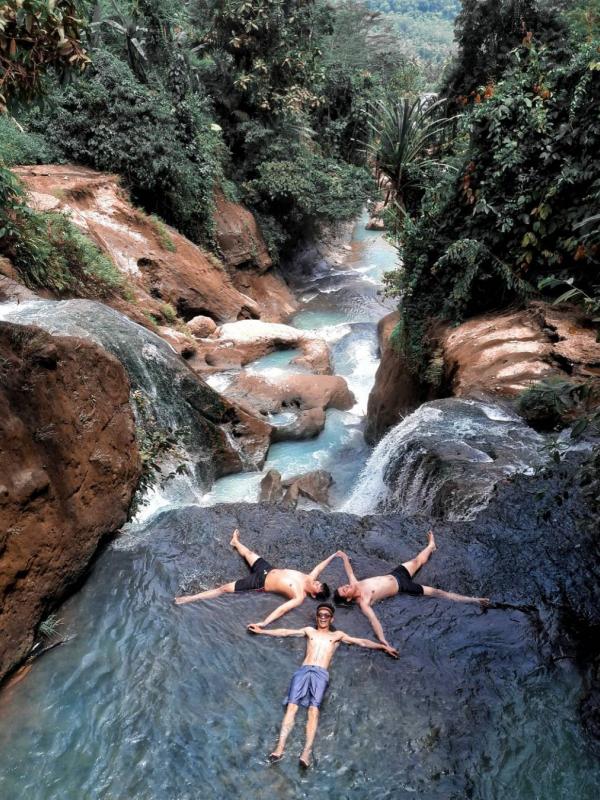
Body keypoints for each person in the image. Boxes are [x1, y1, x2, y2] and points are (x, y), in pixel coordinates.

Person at [248, 603, 397, 768]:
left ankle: (306, 752)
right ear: (317, 617)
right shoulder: (309, 631)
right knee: (292, 707)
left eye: (326, 615)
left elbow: (360, 642)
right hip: (303, 670)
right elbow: (285, 632)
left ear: (332, 618)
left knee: (313, 710)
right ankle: (279, 747)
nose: (323, 618)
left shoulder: (337, 635)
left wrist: (382, 647)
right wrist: (262, 630)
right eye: (320, 615)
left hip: (321, 674)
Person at [333, 531, 490, 648]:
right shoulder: (364, 601)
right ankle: (474, 600)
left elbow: (349, 572)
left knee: (418, 560)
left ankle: (431, 546)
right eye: (345, 590)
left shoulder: (355, 583)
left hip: (396, 574)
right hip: (403, 586)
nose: (347, 586)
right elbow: (374, 620)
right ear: (348, 599)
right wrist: (383, 640)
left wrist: (344, 557)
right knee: (437, 592)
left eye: (344, 586)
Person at [174, 529, 337, 628]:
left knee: (223, 588)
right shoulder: (308, 577)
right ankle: (235, 542)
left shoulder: (299, 596)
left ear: (314, 595)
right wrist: (335, 555)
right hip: (267, 568)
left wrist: (265, 623)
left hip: (259, 582)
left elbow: (282, 609)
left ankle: (189, 599)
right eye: (319, 582)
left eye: (318, 587)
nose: (316, 582)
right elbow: (320, 567)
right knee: (249, 553)